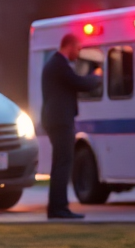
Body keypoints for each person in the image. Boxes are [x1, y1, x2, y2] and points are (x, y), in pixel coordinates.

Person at [40, 33, 101, 219]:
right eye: (78, 47)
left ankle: (57, 207)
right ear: (70, 46)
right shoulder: (59, 64)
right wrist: (96, 76)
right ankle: (59, 208)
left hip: (56, 119)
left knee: (61, 162)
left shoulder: (55, 64)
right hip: (60, 120)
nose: (79, 51)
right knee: (63, 162)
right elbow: (79, 83)